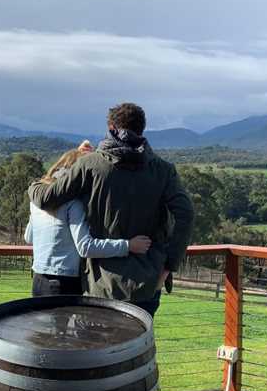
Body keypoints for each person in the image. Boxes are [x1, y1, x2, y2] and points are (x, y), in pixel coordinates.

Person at [28, 102, 194, 316]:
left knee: (100, 347)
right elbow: (186, 214)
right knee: (139, 346)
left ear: (111, 128)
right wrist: (168, 267)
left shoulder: (90, 165)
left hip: (101, 284)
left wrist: (35, 184)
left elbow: (47, 198)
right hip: (148, 281)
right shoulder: (163, 170)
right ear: (141, 129)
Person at [24, 143, 153, 297]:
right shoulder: (73, 204)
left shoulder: (37, 202)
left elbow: (28, 237)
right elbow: (85, 247)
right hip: (65, 283)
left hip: (38, 280)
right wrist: (128, 245)